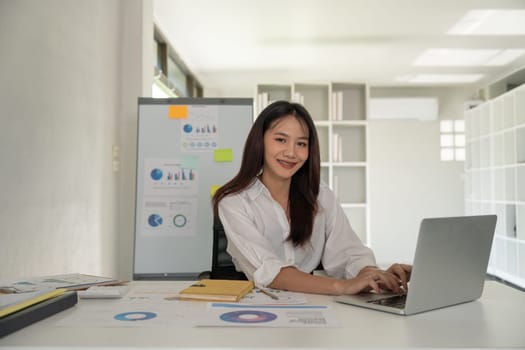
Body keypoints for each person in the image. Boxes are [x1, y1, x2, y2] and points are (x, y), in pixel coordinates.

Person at [212, 100, 411, 295]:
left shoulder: (320, 195)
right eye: (280, 140)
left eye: (301, 143)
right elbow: (270, 271)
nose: (291, 153)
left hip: (314, 304)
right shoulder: (234, 201)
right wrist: (342, 287)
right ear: (260, 141)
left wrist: (371, 274)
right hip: (258, 306)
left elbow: (348, 251)